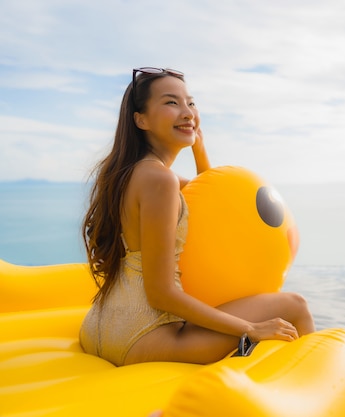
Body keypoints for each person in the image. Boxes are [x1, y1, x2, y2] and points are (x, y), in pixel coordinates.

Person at [79, 67, 315, 367]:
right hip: (142, 334)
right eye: (171, 103)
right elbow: (161, 294)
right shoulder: (159, 181)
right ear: (141, 119)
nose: (187, 112)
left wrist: (198, 150)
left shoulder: (134, 173)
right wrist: (251, 329)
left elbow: (211, 204)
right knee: (295, 306)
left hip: (101, 326)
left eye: (190, 103)